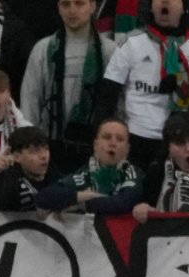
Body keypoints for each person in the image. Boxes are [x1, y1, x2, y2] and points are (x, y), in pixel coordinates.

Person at [98, 0, 189, 169]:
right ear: (151, 7)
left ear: (184, 8)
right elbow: (108, 96)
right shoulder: (131, 42)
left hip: (182, 142)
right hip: (136, 139)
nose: (164, 2)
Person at [19, 0, 118, 172]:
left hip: (95, 148)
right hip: (51, 149)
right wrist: (31, 147)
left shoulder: (110, 51)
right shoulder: (42, 49)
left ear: (92, 7)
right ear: (58, 8)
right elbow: (30, 101)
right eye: (66, 4)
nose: (72, 10)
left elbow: (118, 106)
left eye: (79, 4)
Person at [35, 117, 145, 215]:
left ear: (127, 149)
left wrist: (81, 205)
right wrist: (83, 196)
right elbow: (43, 197)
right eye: (107, 137)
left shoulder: (133, 174)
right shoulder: (85, 174)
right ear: (95, 145)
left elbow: (122, 203)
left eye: (120, 139)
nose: (113, 143)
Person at [0, 126, 58, 211]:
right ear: (17, 156)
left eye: (46, 149)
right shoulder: (8, 181)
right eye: (36, 151)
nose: (44, 156)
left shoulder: (57, 179)